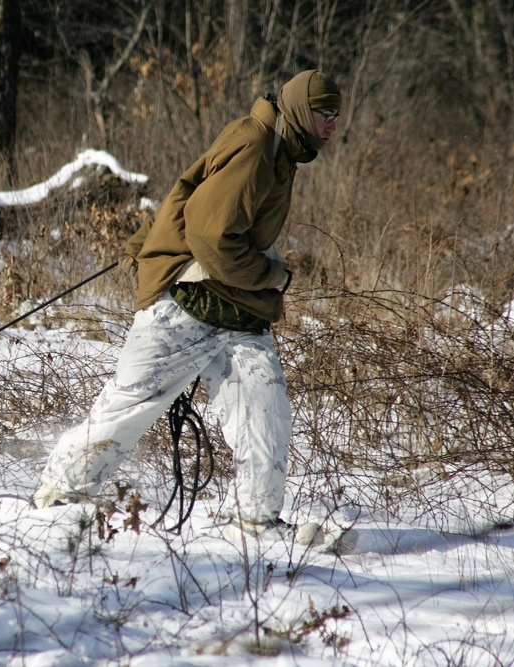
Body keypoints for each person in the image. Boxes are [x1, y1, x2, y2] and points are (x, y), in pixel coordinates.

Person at [32, 70, 341, 544]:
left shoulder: (279, 149)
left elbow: (192, 192)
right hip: (189, 300)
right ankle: (59, 496)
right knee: (130, 406)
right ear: (301, 108)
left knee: (266, 411)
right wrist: (270, 277)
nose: (332, 124)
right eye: (325, 114)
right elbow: (208, 233)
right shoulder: (258, 146)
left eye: (337, 115)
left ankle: (256, 522)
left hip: (237, 309)